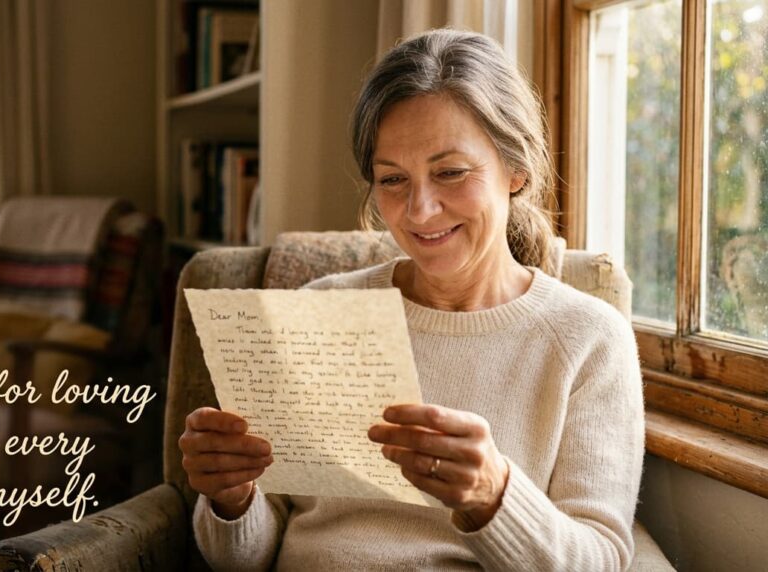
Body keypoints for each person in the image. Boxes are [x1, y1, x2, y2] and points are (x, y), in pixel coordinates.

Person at [179, 29, 644, 571]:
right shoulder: (319, 315)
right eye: (393, 179)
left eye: (450, 172)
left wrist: (493, 495)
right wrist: (231, 500)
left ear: (516, 171)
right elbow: (246, 559)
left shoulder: (588, 338)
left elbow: (601, 561)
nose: (420, 210)